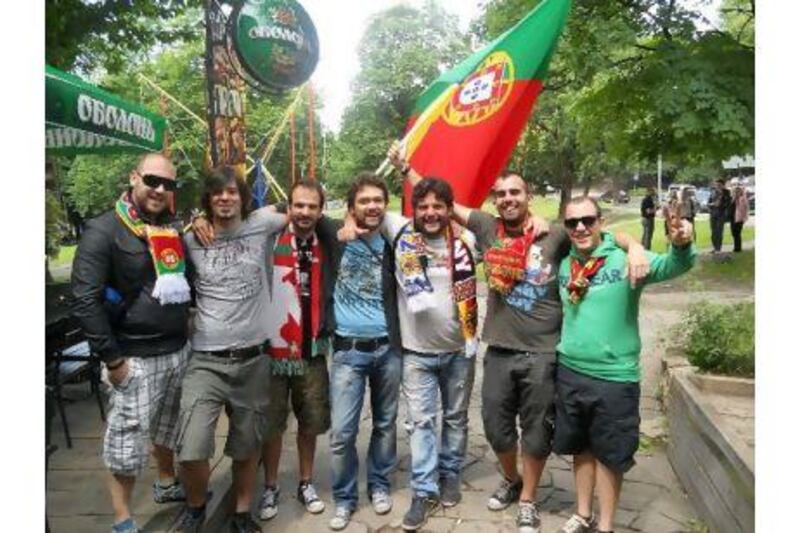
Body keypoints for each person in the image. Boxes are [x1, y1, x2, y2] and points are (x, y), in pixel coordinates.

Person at [387, 141, 649, 533]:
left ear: (528, 197)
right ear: (495, 200)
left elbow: (603, 236)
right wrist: (406, 168)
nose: (508, 199)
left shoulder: (557, 234)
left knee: (537, 431)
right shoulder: (486, 227)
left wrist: (637, 246)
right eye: (502, 194)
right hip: (500, 350)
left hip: (543, 353)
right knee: (495, 427)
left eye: (515, 192)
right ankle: (511, 479)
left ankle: (528, 498)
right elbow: (440, 200)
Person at [340, 178, 479, 530]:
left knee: (455, 418)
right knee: (421, 423)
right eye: (423, 206)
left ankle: (450, 474)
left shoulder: (466, 242)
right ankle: (423, 488)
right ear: (412, 210)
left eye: (438, 206)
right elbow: (364, 210)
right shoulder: (400, 231)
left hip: (459, 349)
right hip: (416, 354)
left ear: (450, 210)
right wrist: (346, 221)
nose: (430, 213)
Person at [553, 196, 695, 533]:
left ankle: (605, 525)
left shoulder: (625, 260)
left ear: (601, 221)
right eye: (572, 223)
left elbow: (674, 265)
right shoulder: (564, 262)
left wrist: (679, 244)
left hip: (615, 378)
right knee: (581, 448)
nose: (580, 228)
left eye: (588, 220)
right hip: (571, 371)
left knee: (610, 454)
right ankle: (583, 513)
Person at [71, 153, 192, 533]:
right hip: (134, 357)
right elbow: (85, 299)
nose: (160, 190)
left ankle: (166, 482)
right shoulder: (104, 230)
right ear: (134, 177)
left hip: (177, 349)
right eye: (153, 181)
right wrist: (112, 361)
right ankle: (122, 519)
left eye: (168, 185)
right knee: (125, 441)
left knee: (168, 427)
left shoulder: (168, 227)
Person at [174, 167, 287, 533]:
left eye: (232, 192)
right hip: (205, 360)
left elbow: (302, 209)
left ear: (242, 196)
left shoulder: (263, 224)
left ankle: (240, 512)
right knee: (191, 446)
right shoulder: (190, 239)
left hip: (253, 358)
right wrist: (192, 221)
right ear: (208, 199)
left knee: (245, 445)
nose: (225, 198)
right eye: (217, 193)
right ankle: (195, 509)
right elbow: (158, 236)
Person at [327, 173, 403, 531]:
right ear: (351, 207)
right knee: (342, 432)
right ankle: (344, 498)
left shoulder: (394, 241)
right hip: (347, 352)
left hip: (388, 349)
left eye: (378, 200)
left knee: (386, 425)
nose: (372, 206)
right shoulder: (333, 237)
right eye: (364, 201)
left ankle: (379, 485)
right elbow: (292, 207)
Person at [257, 179, 336, 521]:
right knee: (272, 424)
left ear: (321, 210)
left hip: (313, 347)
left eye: (312, 206)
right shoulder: (269, 239)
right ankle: (271, 485)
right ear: (287, 207)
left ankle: (305, 482)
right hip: (273, 350)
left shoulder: (328, 242)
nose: (305, 212)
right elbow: (247, 218)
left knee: (310, 422)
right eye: (298, 205)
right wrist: (275, 208)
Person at [708, 179, 732, 253]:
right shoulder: (712, 192)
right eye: (716, 185)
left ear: (723, 185)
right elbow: (708, 203)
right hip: (713, 214)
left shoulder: (726, 192)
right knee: (713, 232)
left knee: (719, 232)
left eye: (719, 185)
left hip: (721, 214)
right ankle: (715, 247)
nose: (717, 186)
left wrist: (721, 202)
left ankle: (718, 248)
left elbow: (728, 203)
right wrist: (712, 204)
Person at [731, 186, 749, 252]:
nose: (736, 193)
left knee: (737, 233)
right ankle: (736, 247)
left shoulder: (743, 199)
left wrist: (745, 218)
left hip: (739, 218)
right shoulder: (733, 199)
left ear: (741, 192)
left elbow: (746, 209)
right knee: (733, 233)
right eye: (735, 191)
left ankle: (738, 248)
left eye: (738, 191)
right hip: (733, 218)